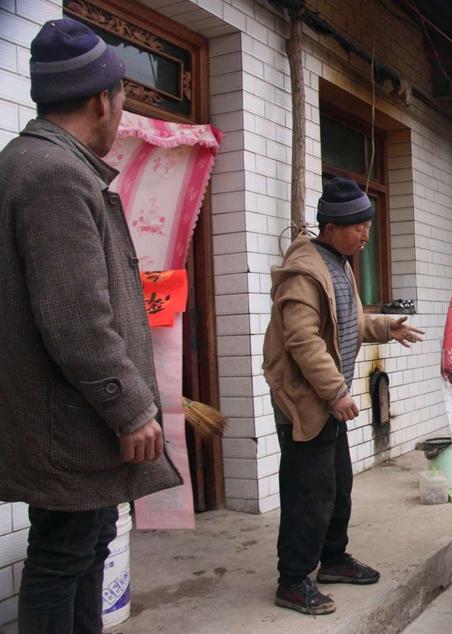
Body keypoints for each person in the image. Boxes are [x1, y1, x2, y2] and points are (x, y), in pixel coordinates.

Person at [0, 18, 182, 633]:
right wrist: (130, 408)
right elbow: (76, 317)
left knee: (87, 547)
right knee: (63, 558)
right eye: (123, 99)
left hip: (71, 419)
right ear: (104, 100)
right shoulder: (54, 174)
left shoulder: (34, 164)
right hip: (72, 423)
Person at [262, 177, 425, 616]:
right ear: (331, 227)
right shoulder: (304, 273)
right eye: (359, 227)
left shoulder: (339, 262)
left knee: (337, 484)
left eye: (368, 225)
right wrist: (335, 391)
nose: (366, 234)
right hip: (306, 400)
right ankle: (292, 580)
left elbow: (347, 322)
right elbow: (303, 341)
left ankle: (332, 559)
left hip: (328, 399)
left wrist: (387, 327)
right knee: (308, 492)